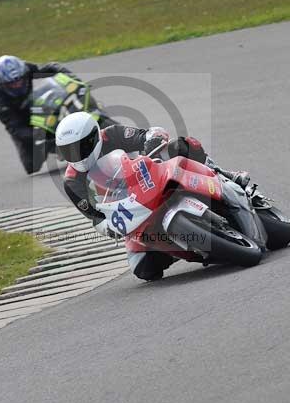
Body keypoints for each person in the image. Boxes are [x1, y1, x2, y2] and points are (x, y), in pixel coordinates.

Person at [55, 111, 250, 281]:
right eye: (68, 151)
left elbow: (149, 134)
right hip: (129, 210)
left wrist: (152, 142)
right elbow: (95, 217)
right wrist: (110, 227)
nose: (76, 155)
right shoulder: (72, 181)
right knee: (144, 269)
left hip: (150, 178)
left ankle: (224, 174)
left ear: (93, 137)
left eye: (79, 147)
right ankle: (180, 247)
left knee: (179, 146)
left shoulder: (111, 135)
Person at [0, 55, 73, 174]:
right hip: (21, 121)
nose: (17, 85)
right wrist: (43, 137)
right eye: (12, 83)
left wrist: (68, 76)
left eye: (20, 80)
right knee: (31, 165)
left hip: (35, 105)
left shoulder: (25, 69)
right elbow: (16, 129)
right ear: (3, 83)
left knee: (60, 96)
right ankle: (56, 146)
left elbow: (49, 68)